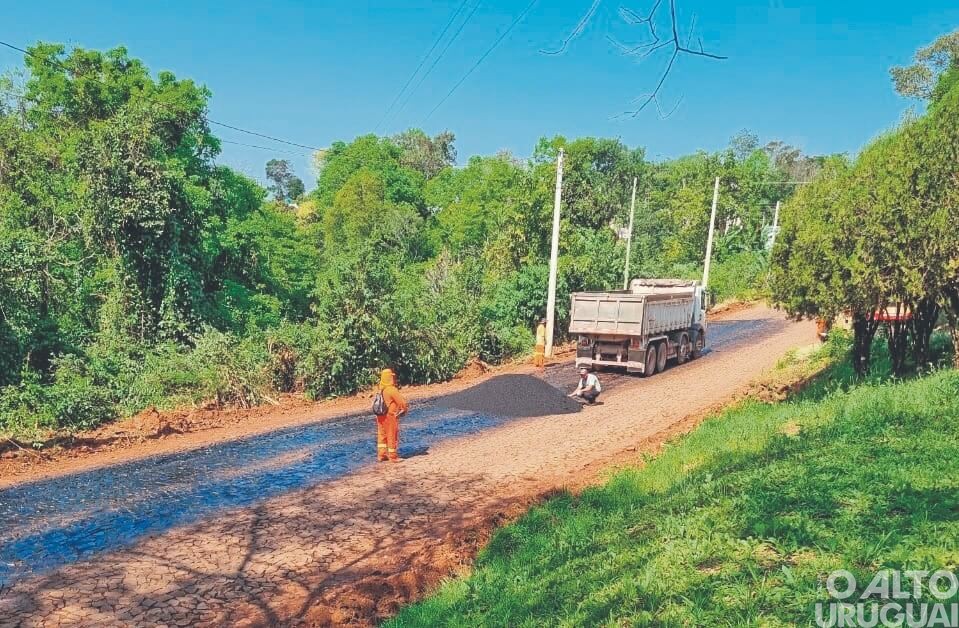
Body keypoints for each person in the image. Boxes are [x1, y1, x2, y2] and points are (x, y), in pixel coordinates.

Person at [375, 368, 408, 462]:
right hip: (390, 416)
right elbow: (402, 402)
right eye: (392, 377)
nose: (394, 379)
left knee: (382, 434)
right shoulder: (392, 390)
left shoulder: (380, 389)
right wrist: (404, 410)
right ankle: (393, 456)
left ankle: (382, 455)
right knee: (391, 434)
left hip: (380, 415)